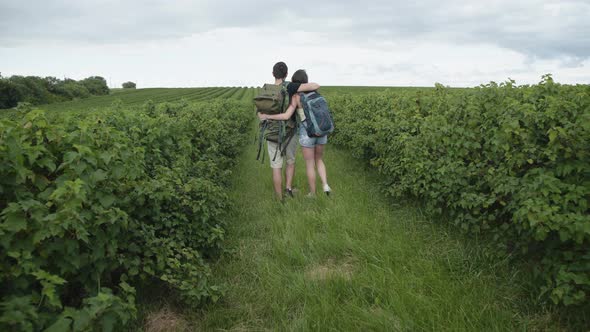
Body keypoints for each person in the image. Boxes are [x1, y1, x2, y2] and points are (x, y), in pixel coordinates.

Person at [258, 69, 331, 196]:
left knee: (308, 164)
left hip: (306, 134)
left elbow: (287, 115)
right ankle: (325, 185)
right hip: (321, 132)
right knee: (318, 159)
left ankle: (312, 193)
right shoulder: (316, 94)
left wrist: (267, 116)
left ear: (272, 73)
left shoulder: (295, 96)